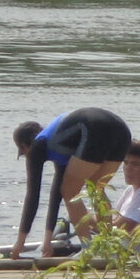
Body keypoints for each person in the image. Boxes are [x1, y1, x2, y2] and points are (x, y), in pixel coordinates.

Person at [11, 108, 131, 259]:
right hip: (122, 130)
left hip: (95, 128)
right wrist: (47, 242)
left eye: (23, 153)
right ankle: (106, 246)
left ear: (24, 146)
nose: (27, 156)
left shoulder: (38, 145)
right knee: (96, 188)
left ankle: (88, 249)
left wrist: (20, 242)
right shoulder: (62, 142)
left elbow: (33, 196)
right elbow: (56, 195)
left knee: (70, 191)